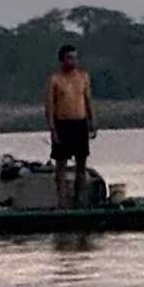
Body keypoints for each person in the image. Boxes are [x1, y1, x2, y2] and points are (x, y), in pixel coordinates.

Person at [44, 44, 97, 205]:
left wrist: (92, 122)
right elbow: (50, 105)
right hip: (62, 125)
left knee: (81, 163)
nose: (72, 61)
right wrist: (52, 129)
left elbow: (88, 100)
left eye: (74, 58)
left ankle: (79, 198)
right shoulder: (54, 79)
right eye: (69, 58)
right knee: (61, 164)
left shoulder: (83, 77)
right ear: (62, 60)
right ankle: (62, 200)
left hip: (80, 124)